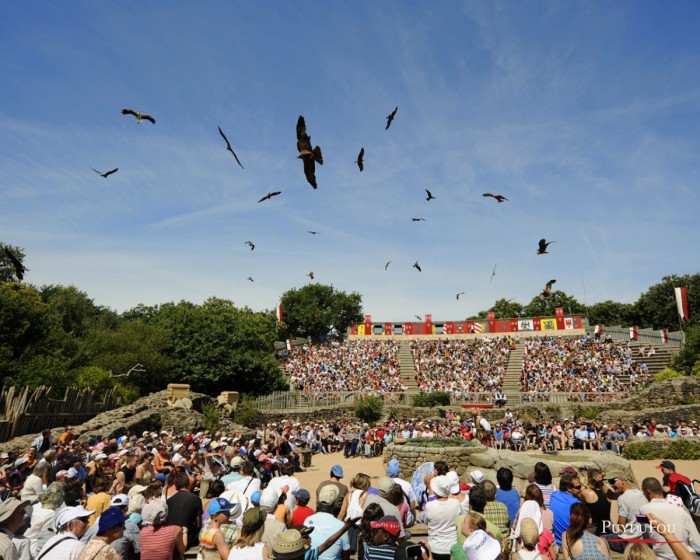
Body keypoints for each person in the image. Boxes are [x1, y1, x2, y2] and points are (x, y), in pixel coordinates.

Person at [639, 477, 700, 560]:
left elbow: (643, 536)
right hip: (686, 554)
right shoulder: (681, 510)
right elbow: (696, 541)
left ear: (648, 492)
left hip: (661, 556)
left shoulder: (642, 510)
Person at [417, 475, 460, 560]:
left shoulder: (430, 506)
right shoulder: (456, 503)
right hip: (452, 547)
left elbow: (426, 521)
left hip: (434, 548)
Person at [603, 472, 647, 553]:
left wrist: (619, 522)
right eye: (609, 482)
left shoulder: (622, 498)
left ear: (623, 480)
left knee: (601, 540)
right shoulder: (639, 493)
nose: (611, 485)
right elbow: (641, 516)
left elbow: (621, 526)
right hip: (642, 536)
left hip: (630, 539)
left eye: (613, 481)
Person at [304, 485, 351, 560]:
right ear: (335, 504)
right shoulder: (341, 526)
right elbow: (346, 553)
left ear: (318, 503)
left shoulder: (308, 520)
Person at [166, 471, 202, 548]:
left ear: (176, 485)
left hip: (171, 537)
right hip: (189, 538)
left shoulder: (169, 501)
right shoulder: (195, 499)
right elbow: (198, 524)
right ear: (188, 483)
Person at [549, 473, 583, 546]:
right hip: (571, 544)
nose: (580, 489)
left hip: (556, 542)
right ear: (569, 489)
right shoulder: (577, 504)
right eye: (578, 487)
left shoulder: (554, 495)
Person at [579, 469, 612, 536]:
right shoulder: (608, 495)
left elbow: (576, 494)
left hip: (594, 529)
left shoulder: (588, 493)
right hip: (609, 526)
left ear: (589, 479)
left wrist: (585, 483)